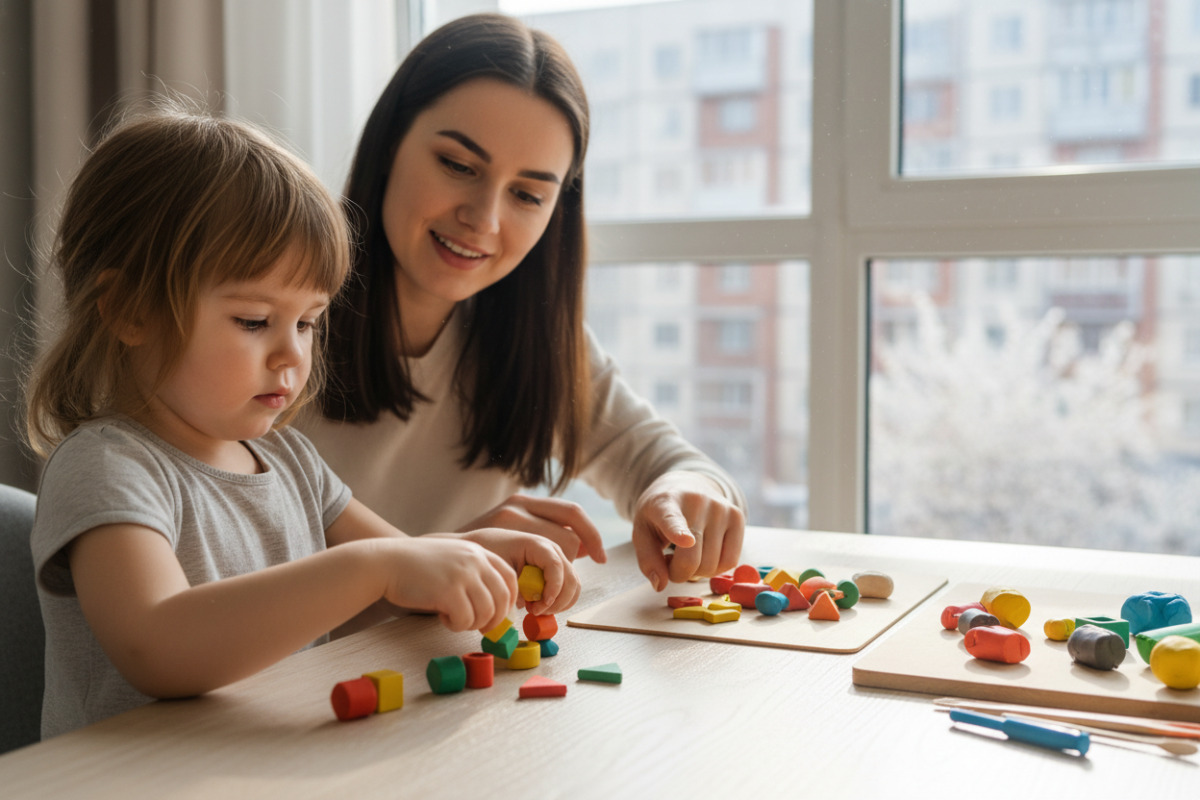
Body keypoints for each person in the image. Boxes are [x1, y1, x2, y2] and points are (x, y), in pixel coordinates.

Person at [24, 108, 579, 739]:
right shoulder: (106, 468)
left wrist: (468, 558)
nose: (293, 355)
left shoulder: (292, 462)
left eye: (308, 322)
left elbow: (398, 577)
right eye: (256, 321)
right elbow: (158, 645)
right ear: (130, 311)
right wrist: (377, 567)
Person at [300, 12, 747, 593]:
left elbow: (673, 466)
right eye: (458, 165)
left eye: (528, 194)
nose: (483, 219)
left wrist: (686, 492)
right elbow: (206, 604)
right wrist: (442, 561)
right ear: (390, 145)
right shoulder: (271, 323)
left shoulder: (529, 342)